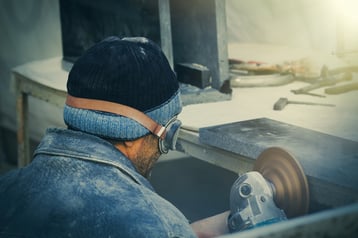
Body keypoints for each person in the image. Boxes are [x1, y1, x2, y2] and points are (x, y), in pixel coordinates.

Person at [0, 36, 229, 238]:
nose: (161, 150)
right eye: (168, 134)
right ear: (129, 133)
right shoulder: (159, 224)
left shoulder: (6, 190)